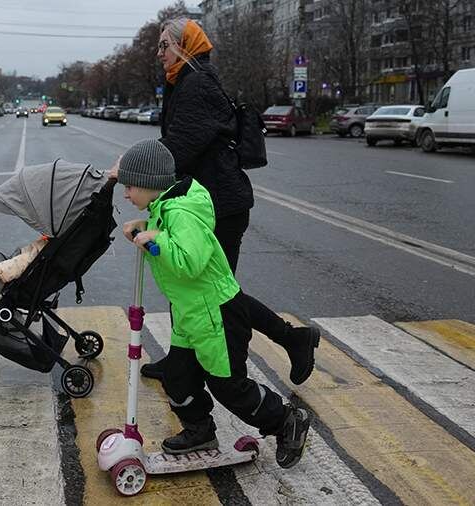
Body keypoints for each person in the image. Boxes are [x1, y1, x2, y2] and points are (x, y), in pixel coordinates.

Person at [139, 17, 319, 385]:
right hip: (203, 204)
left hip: (219, 207)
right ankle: (180, 361)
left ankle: (292, 338)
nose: (158, 54)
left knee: (217, 295)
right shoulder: (184, 81)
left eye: (163, 46)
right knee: (191, 287)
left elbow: (181, 146)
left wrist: (134, 170)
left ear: (184, 46)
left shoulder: (197, 83)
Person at [118, 138, 310, 467]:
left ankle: (286, 420)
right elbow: (173, 238)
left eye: (130, 186)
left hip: (216, 314)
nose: (125, 194)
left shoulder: (181, 212)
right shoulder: (164, 207)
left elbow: (189, 262)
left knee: (229, 387)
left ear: (151, 184)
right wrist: (148, 227)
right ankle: (199, 430)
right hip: (192, 315)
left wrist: (156, 238)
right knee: (177, 378)